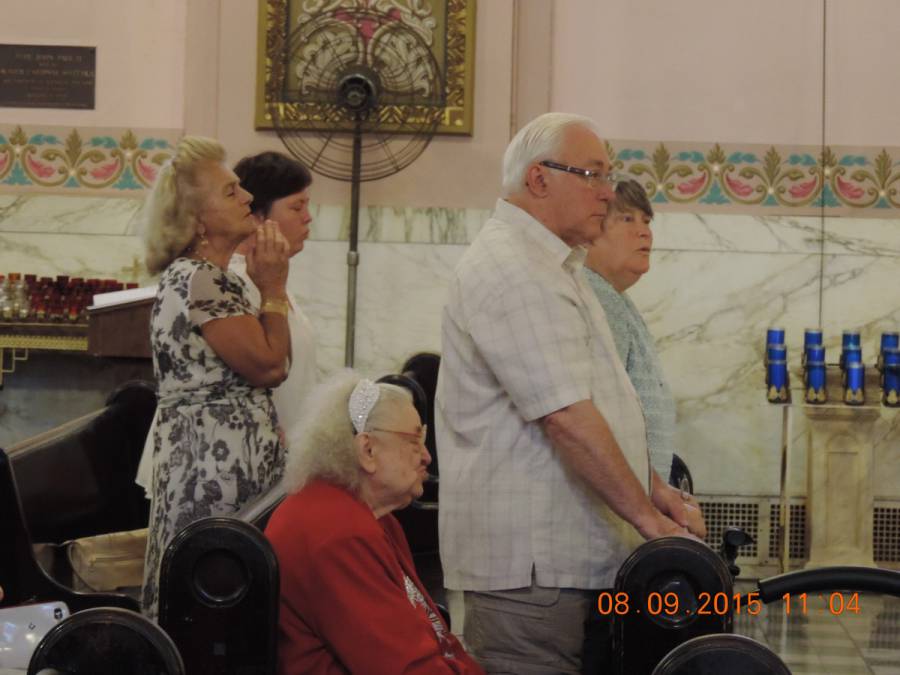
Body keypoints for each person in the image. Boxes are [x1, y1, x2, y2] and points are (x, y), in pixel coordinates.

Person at [436, 112, 701, 674]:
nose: (607, 192)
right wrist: (650, 524)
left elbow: (601, 401)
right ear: (538, 179)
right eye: (592, 175)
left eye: (608, 175)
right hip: (530, 573)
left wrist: (655, 491)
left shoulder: (557, 264)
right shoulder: (512, 267)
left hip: (565, 561)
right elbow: (566, 417)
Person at [139, 136, 291, 619]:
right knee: (215, 606)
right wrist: (274, 288)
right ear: (198, 220)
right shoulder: (202, 278)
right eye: (230, 191)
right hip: (214, 476)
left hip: (207, 464)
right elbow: (270, 365)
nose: (247, 196)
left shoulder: (201, 277)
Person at [265, 371, 484, 675]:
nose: (426, 456)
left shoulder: (366, 514)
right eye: (414, 440)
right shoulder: (337, 533)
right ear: (367, 450)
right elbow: (405, 667)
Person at [584, 180, 705, 537]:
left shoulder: (612, 296)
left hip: (632, 502)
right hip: (612, 511)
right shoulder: (597, 297)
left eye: (647, 221)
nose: (644, 232)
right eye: (626, 219)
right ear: (590, 232)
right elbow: (602, 416)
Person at [232, 152, 317, 439]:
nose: (308, 217)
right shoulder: (235, 282)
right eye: (296, 207)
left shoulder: (273, 278)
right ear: (257, 217)